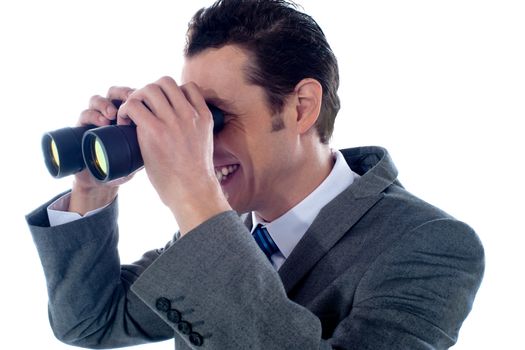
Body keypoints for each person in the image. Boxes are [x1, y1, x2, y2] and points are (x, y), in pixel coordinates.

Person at [26, 0, 484, 349]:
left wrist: (193, 195)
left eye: (214, 117)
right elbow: (91, 321)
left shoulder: (430, 244)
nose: (199, 143)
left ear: (301, 107)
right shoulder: (223, 232)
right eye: (192, 118)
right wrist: (92, 190)